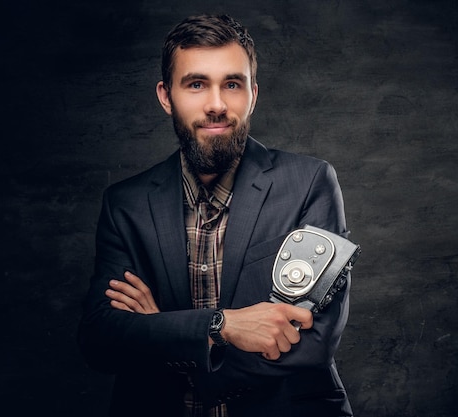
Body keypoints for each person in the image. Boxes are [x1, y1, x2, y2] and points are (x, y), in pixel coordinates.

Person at [78, 13, 354, 417]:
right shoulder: (126, 204)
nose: (217, 105)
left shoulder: (310, 182)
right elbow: (101, 341)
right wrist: (221, 325)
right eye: (196, 84)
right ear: (166, 96)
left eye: (232, 84)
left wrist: (163, 332)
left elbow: (313, 342)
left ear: (252, 94)